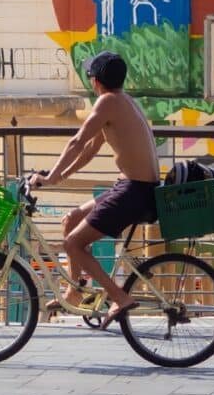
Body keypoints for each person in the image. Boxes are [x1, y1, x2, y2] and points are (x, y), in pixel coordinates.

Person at [28, 51, 160, 329]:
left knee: (73, 244)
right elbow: (88, 151)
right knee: (70, 219)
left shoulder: (107, 102)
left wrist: (49, 176)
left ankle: (119, 297)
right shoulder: (122, 101)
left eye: (90, 76)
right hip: (132, 186)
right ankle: (75, 290)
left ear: (97, 81)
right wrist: (58, 177)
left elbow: (76, 141)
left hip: (134, 191)